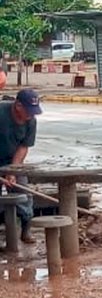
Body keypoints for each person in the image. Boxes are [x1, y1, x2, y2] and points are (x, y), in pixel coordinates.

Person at [0, 88, 42, 244]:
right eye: (28, 110)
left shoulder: (31, 121)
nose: (31, 115)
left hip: (12, 159)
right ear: (18, 105)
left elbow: (24, 146)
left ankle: (26, 228)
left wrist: (12, 170)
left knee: (23, 193)